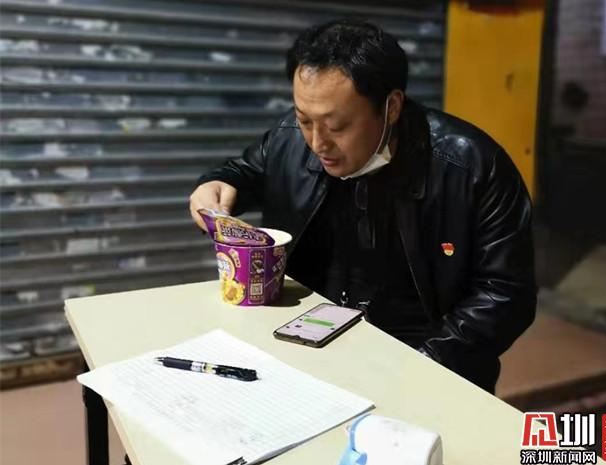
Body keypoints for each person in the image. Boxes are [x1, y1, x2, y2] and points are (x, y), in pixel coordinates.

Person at [189, 19, 537, 393]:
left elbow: (506, 294)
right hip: (310, 342)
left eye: (336, 126)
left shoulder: (471, 166)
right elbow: (244, 172)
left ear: (391, 107)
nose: (317, 143)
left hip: (426, 358)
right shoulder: (288, 139)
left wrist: (422, 367)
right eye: (304, 119)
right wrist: (216, 185)